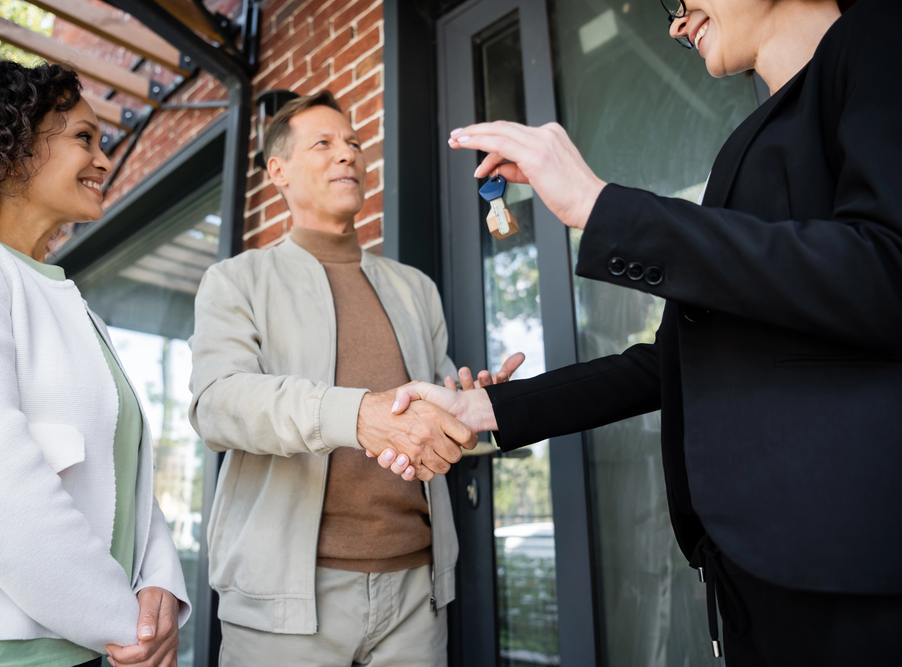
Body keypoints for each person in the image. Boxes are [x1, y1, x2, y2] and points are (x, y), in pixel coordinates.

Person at [387, 0, 902, 664]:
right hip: (749, 574)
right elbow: (666, 362)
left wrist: (602, 207)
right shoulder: (745, 147)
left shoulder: (879, 38)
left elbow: (887, 267)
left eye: (683, 1)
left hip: (852, 573)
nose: (677, 21)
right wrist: (480, 407)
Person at [187, 89, 521, 666]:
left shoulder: (417, 289)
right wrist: (355, 415)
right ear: (278, 172)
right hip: (285, 605)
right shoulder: (235, 280)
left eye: (355, 144)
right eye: (324, 143)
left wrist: (470, 412)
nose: (348, 155)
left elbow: (434, 422)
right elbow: (218, 404)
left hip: (418, 595)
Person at [0, 61, 189, 667]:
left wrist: (159, 583)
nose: (105, 162)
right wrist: (124, 623)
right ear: (5, 143)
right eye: (83, 137)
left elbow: (124, 473)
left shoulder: (78, 307)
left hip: (78, 646)